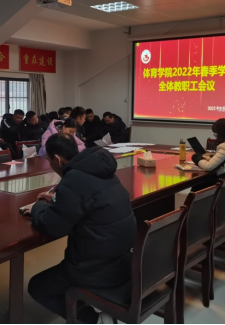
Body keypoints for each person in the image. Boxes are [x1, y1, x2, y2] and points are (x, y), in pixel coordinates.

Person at [23, 134, 137, 324]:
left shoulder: (73, 179)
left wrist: (37, 207)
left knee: (37, 287)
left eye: (49, 160)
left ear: (57, 159)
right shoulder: (99, 170)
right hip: (124, 261)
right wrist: (60, 200)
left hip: (95, 269)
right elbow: (89, 200)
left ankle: (93, 320)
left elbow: (52, 226)